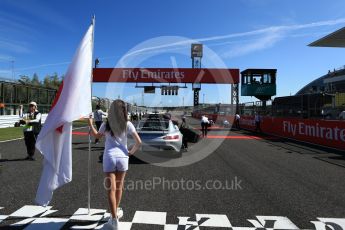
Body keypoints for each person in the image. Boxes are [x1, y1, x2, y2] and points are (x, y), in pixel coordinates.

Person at [88, 100, 141, 230]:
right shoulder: (128, 124)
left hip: (109, 157)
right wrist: (130, 153)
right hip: (123, 157)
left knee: (111, 189)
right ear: (124, 111)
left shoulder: (106, 124)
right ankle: (115, 213)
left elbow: (96, 135)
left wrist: (90, 123)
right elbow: (138, 142)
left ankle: (114, 219)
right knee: (119, 188)